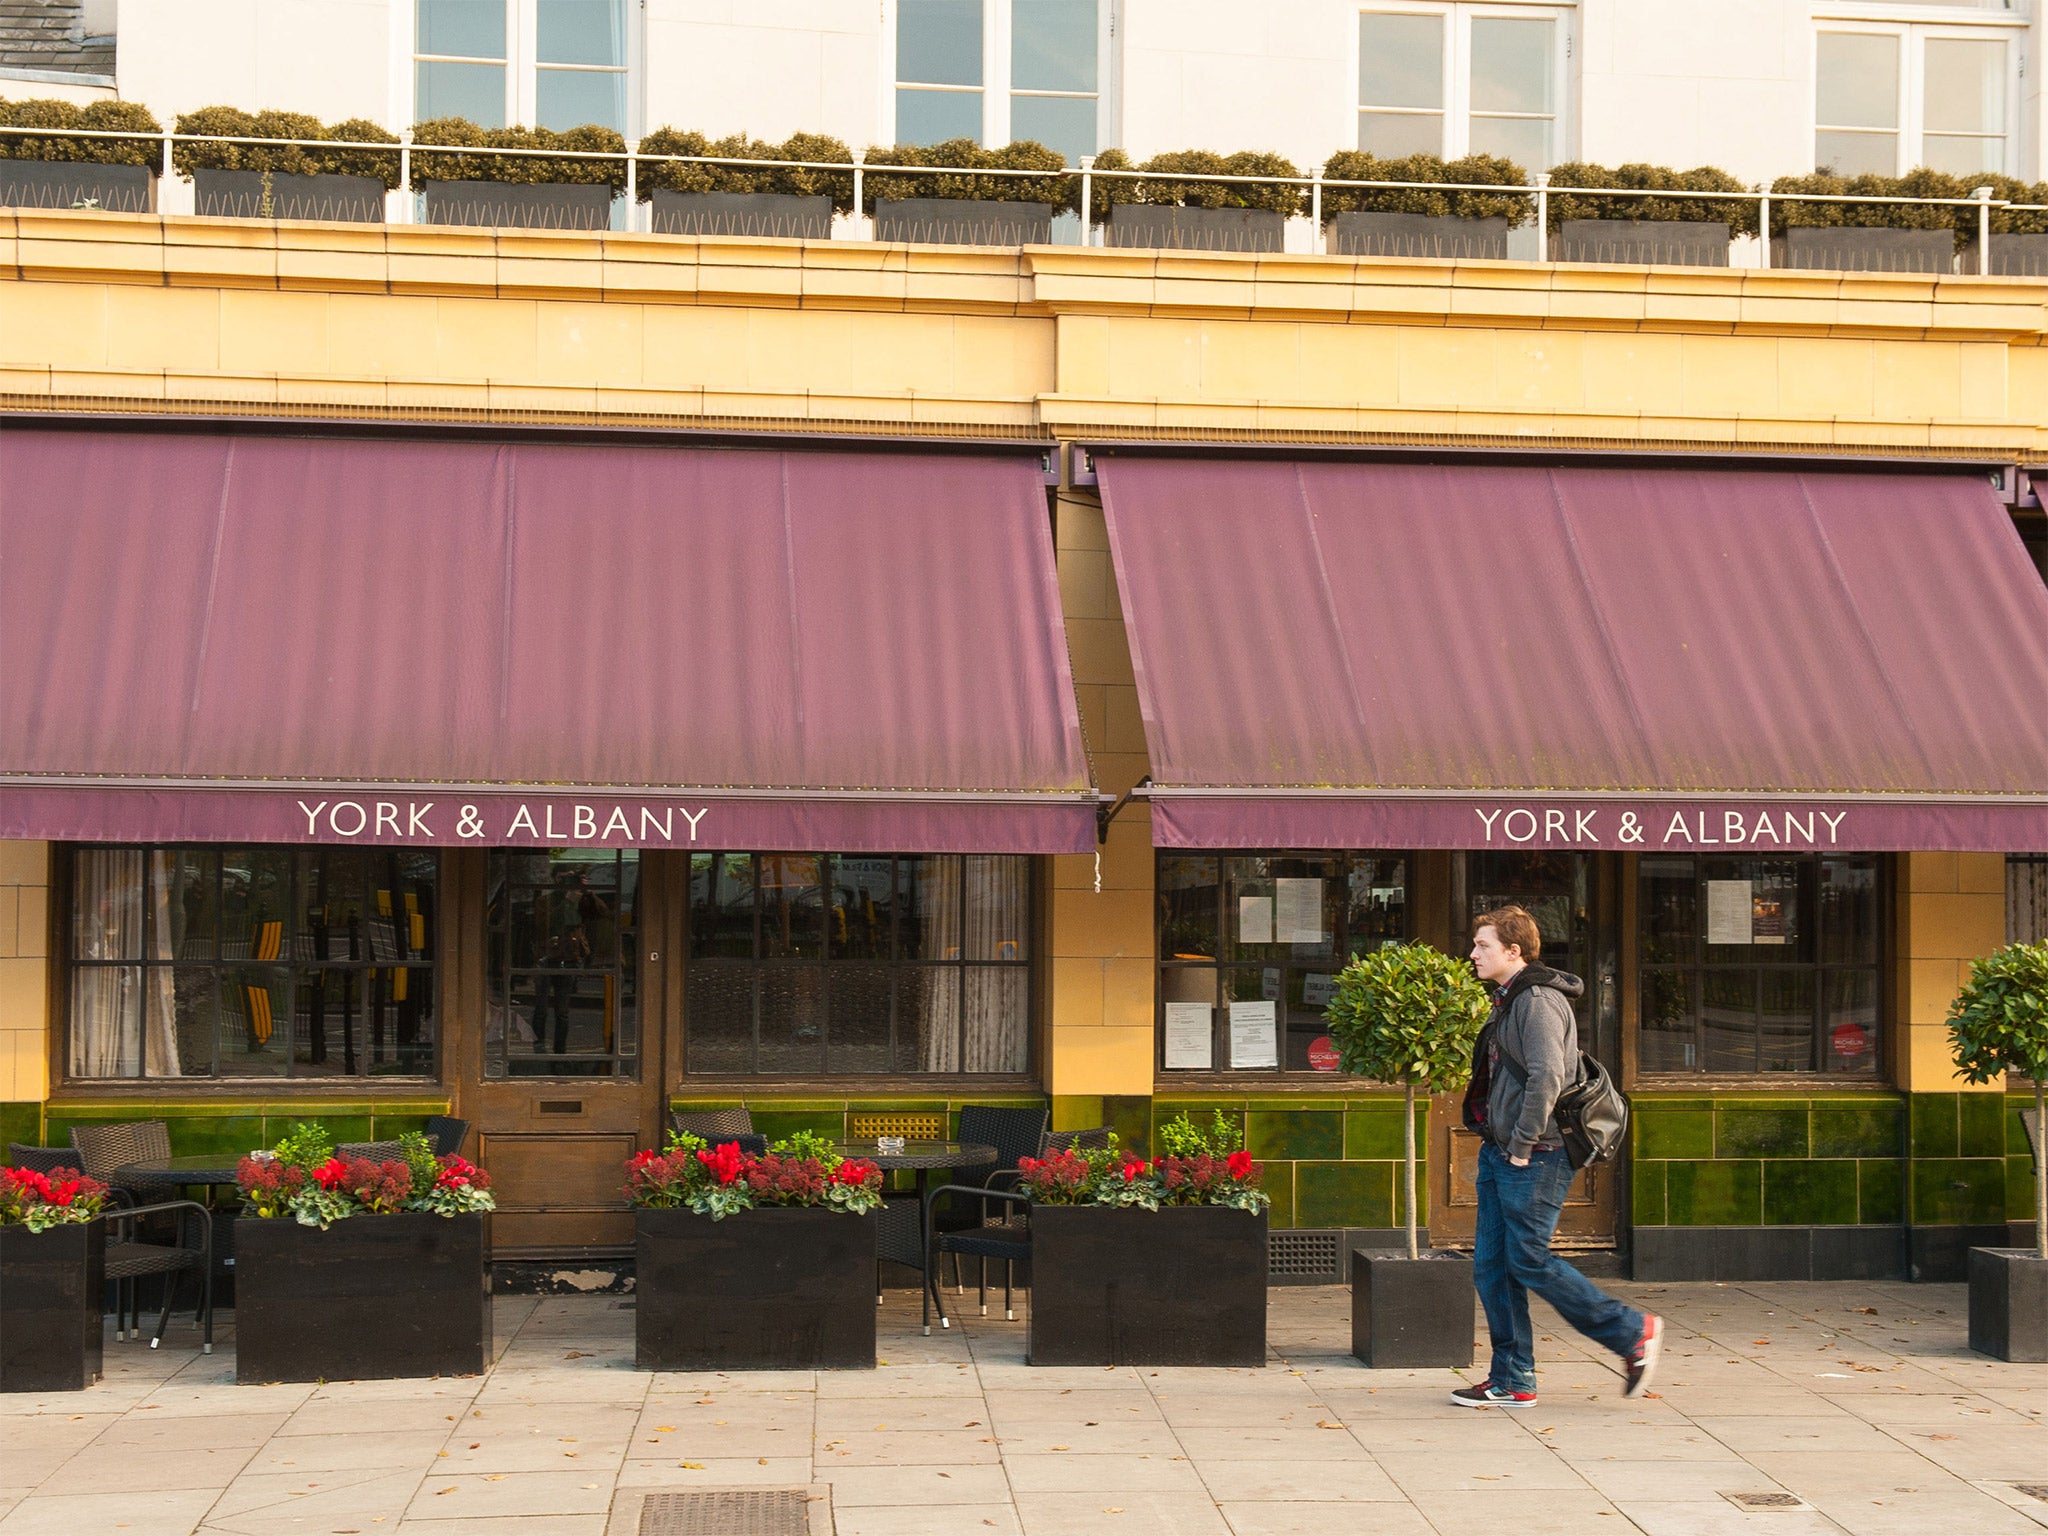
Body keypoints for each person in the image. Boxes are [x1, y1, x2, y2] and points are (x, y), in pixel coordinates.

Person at [1453, 904, 1661, 1408]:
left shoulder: (1537, 1001)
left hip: (1535, 1153)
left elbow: (1548, 1075)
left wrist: (1522, 1144)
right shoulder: (1509, 998)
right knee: (1492, 1267)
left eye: (1483, 945)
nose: (1473, 953)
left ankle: (1632, 1332)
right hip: (1503, 1150)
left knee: (1530, 1260)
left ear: (1513, 950)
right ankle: (1513, 1377)